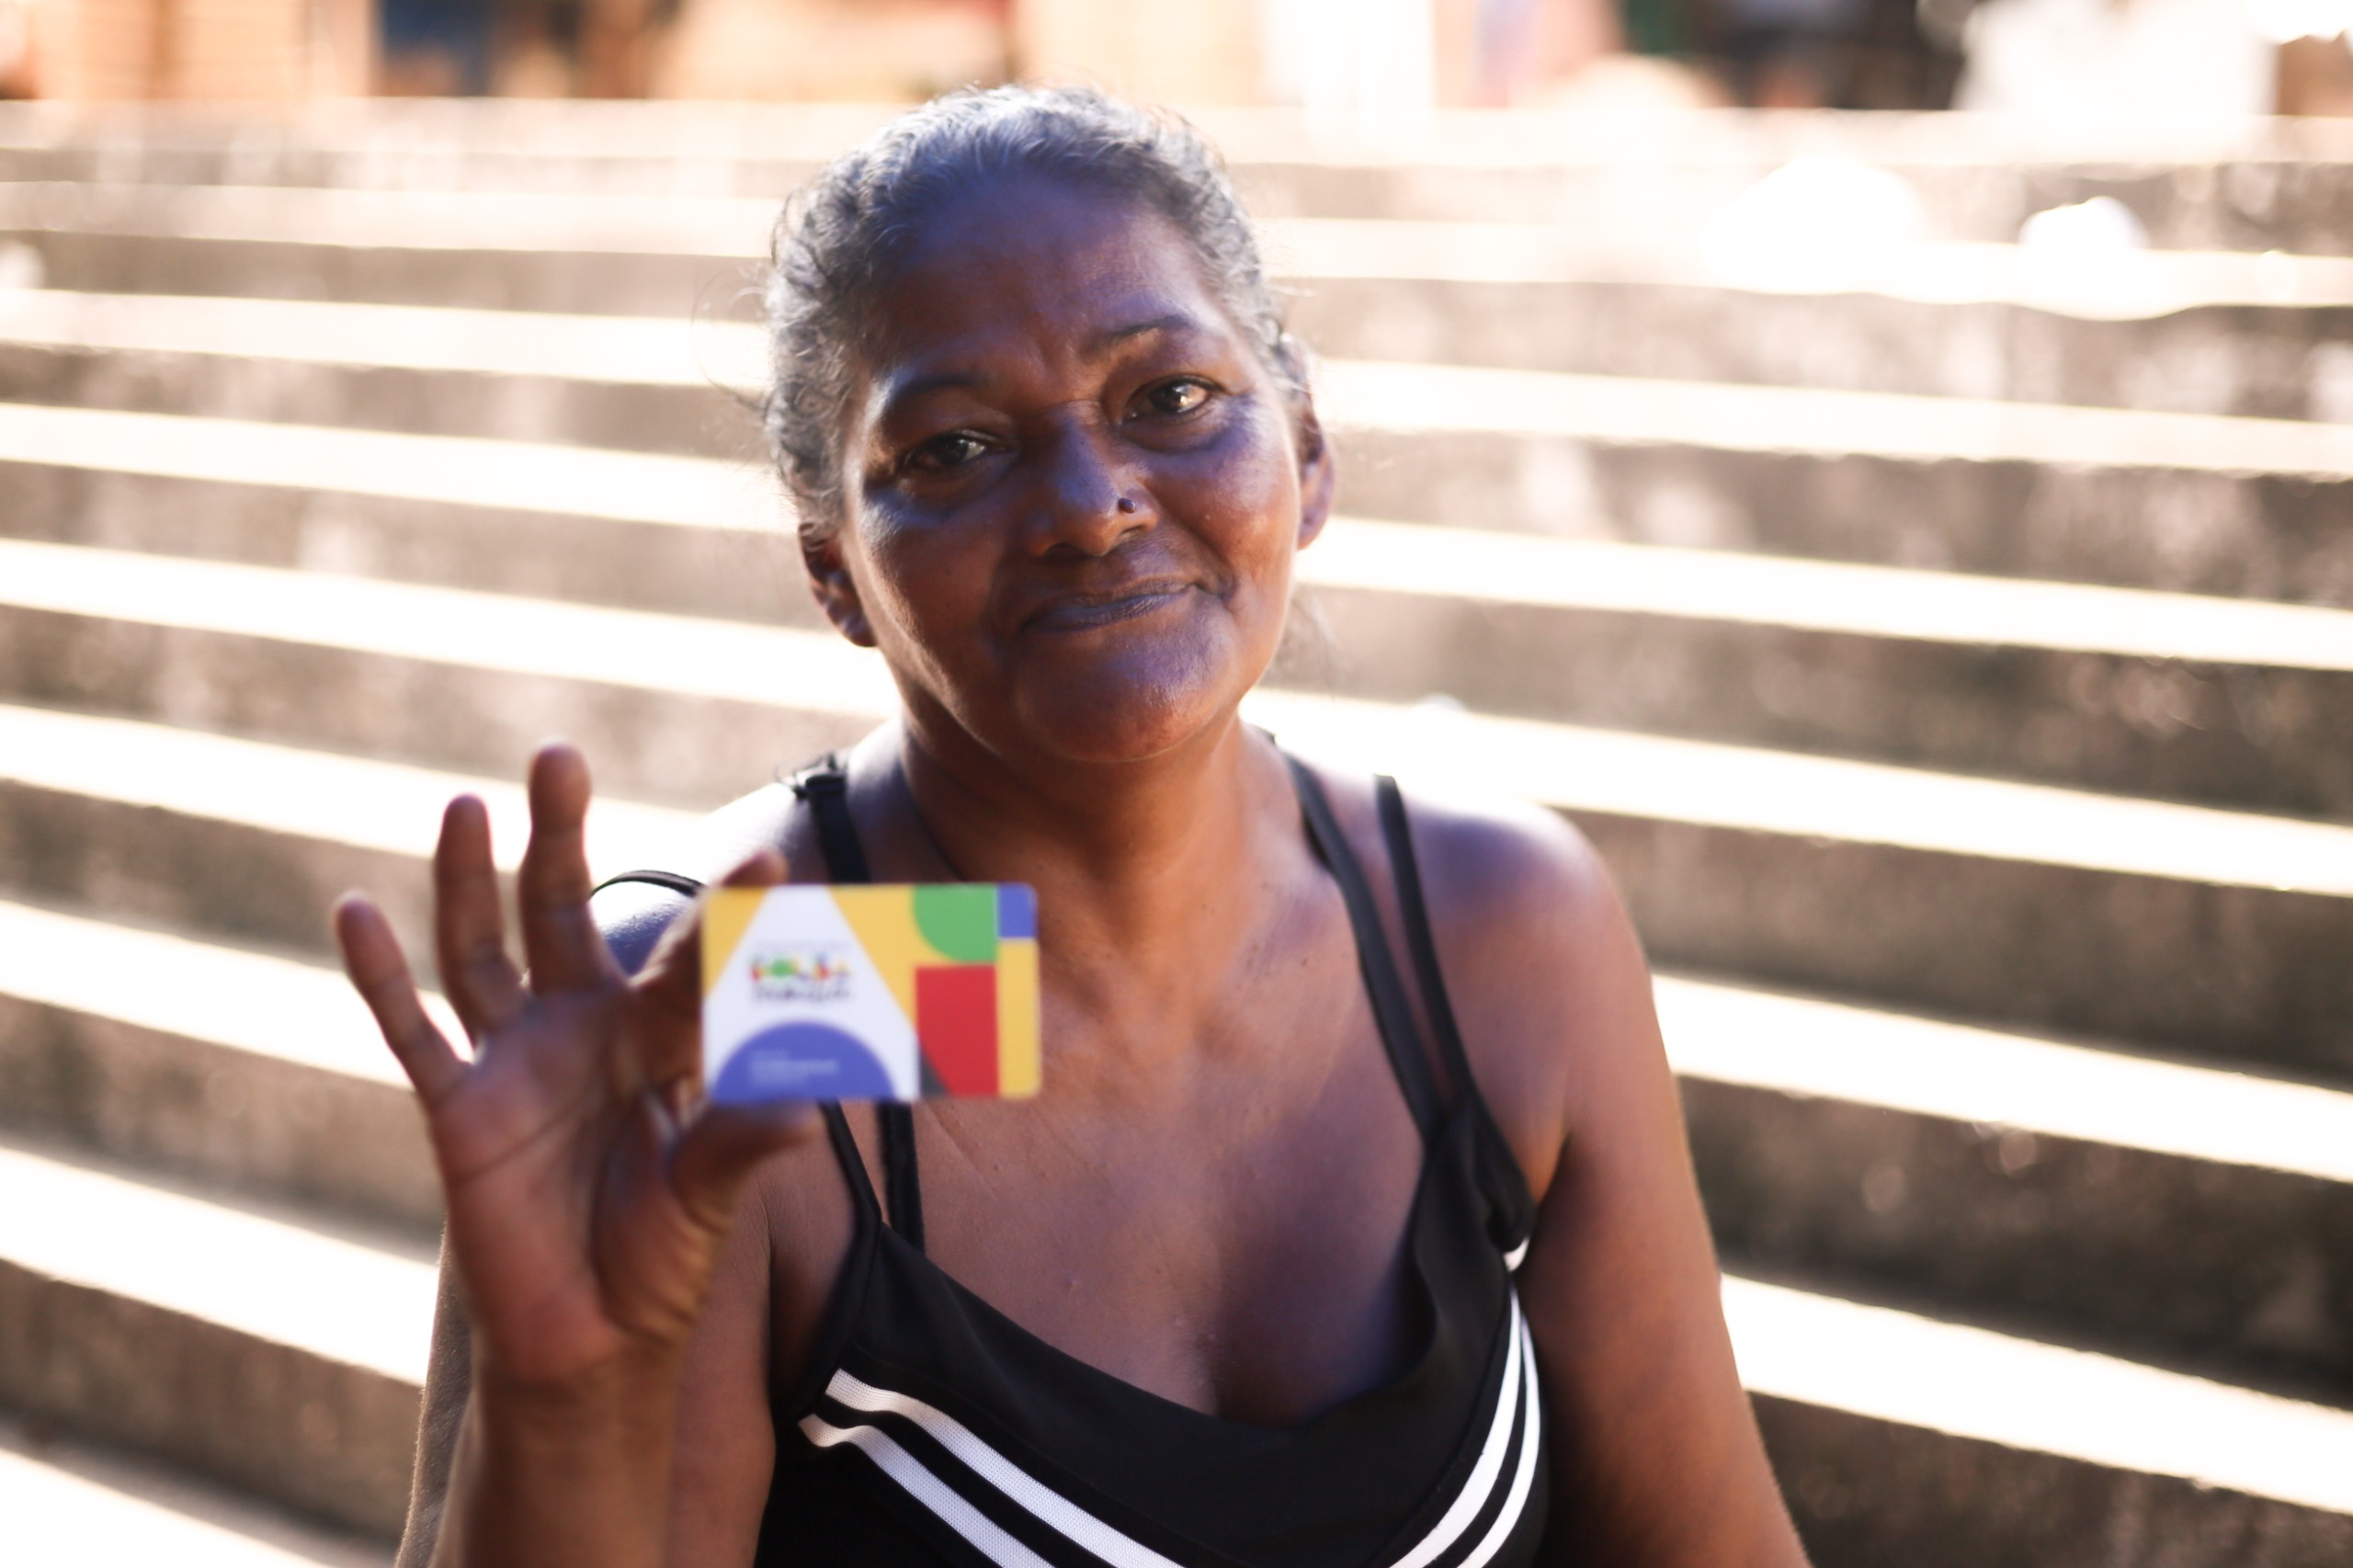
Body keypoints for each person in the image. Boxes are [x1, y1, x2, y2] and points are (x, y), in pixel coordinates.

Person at [334, 85, 1810, 1568]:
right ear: (831, 564)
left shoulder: (1481, 932)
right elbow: (1001, 1002)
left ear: (1305, 445)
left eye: (1169, 399)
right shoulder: (775, 989)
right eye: (959, 448)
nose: (1092, 504)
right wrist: (562, 1418)